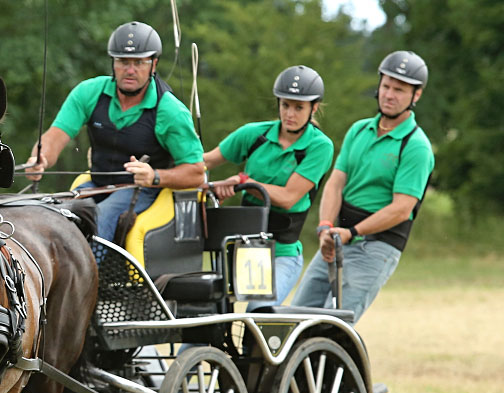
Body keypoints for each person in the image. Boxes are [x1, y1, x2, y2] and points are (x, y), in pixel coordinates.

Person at [24, 21, 205, 243]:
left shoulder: (171, 111)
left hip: (146, 190)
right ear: (113, 63)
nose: (130, 70)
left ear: (153, 64)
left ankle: (95, 266)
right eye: (123, 61)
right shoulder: (89, 92)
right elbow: (55, 137)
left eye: (139, 62)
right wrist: (40, 158)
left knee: (100, 218)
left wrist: (155, 176)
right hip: (96, 185)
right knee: (56, 213)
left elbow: (197, 172)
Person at [292, 51, 434, 323]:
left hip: (377, 246)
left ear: (416, 95)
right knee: (295, 318)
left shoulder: (416, 146)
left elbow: (402, 209)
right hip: (338, 237)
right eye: (386, 86)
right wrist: (325, 227)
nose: (389, 95)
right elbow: (336, 183)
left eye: (399, 90)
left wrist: (352, 232)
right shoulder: (358, 130)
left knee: (332, 327)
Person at [203, 65, 334, 310]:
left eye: (299, 107)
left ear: (314, 108)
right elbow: (204, 162)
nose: (289, 114)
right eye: (285, 105)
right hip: (240, 249)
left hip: (281, 254)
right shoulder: (254, 134)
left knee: (258, 312)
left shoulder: (320, 146)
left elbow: (288, 198)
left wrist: (243, 183)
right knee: (211, 311)